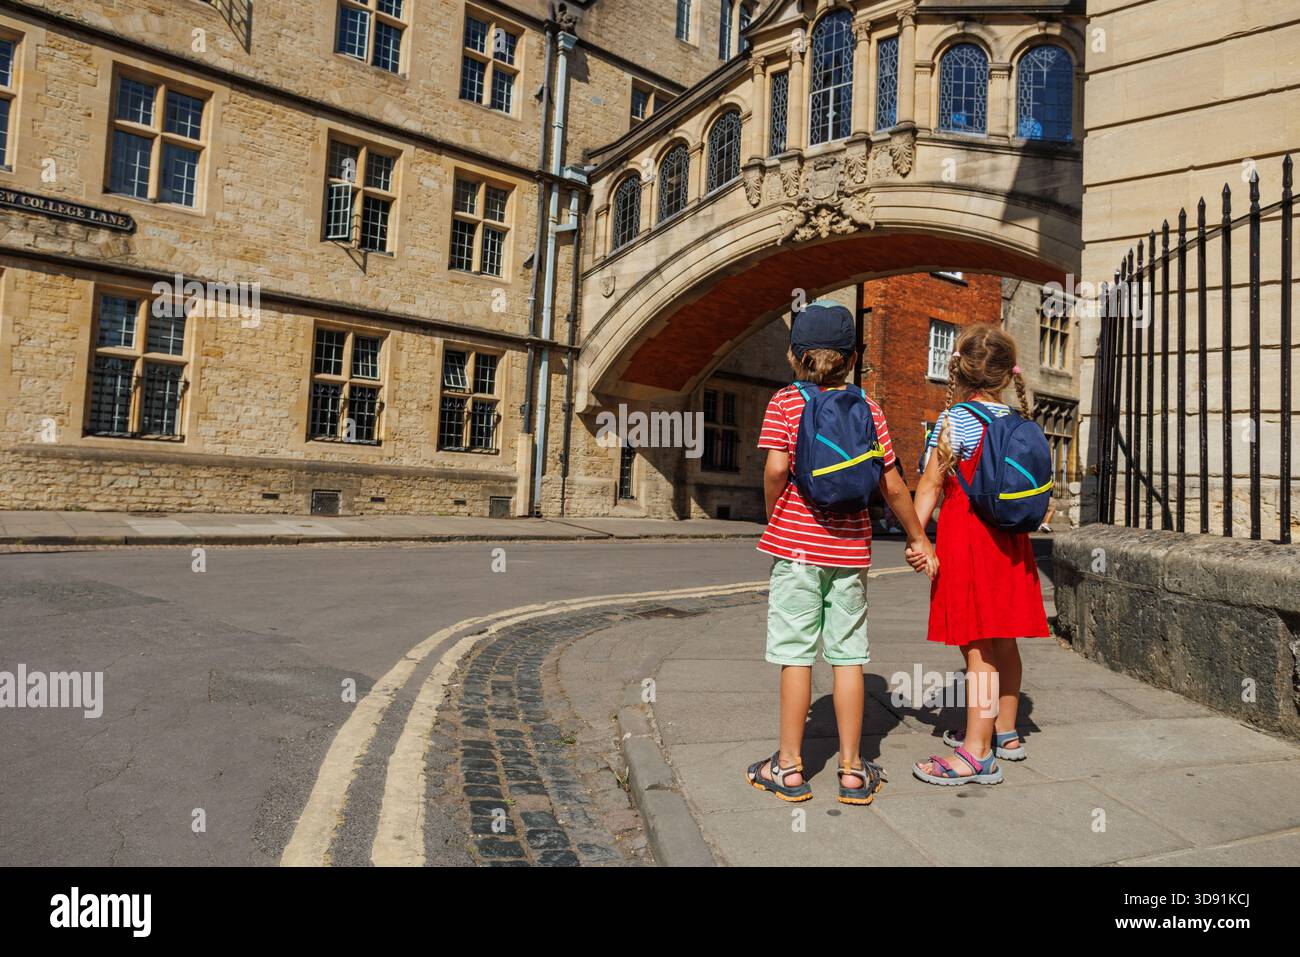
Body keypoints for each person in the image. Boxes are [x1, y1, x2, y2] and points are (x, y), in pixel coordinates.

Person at [746, 300, 937, 806]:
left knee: (795, 655)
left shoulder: (786, 402)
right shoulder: (869, 408)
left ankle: (788, 767)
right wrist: (918, 537)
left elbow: (774, 469)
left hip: (797, 548)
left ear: (795, 356)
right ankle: (852, 770)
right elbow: (893, 484)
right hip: (850, 550)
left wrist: (773, 514)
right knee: (849, 655)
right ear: (853, 359)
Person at [905, 324, 1050, 786]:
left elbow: (929, 485)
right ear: (1007, 376)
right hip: (1010, 544)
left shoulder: (956, 421)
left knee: (978, 650)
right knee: (1004, 640)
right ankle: (1005, 731)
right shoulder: (1018, 420)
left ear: (959, 369)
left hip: (970, 545)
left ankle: (976, 753)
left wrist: (918, 538)